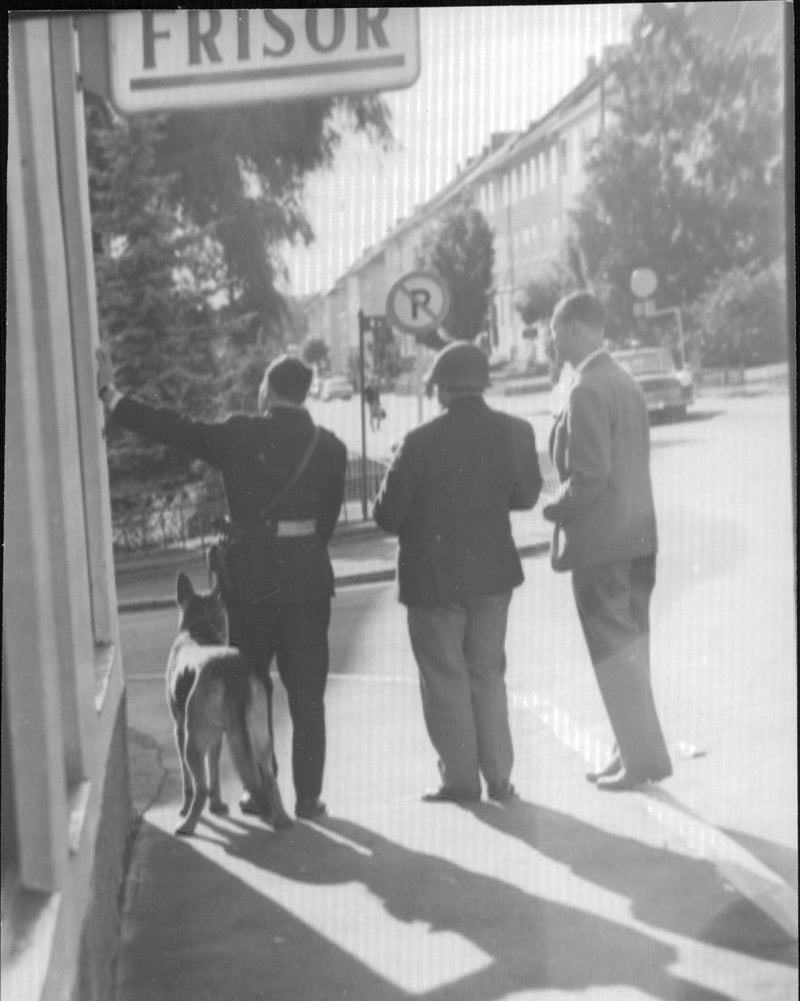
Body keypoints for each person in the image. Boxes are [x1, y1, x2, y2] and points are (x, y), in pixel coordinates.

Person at [96, 346, 347, 820]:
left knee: (252, 687)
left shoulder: (240, 434)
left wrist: (111, 395)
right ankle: (309, 797)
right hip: (309, 583)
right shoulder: (330, 447)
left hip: (253, 584)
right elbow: (328, 521)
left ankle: (260, 790)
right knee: (308, 691)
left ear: (268, 392)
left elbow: (177, 428)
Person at [373, 340, 543, 803]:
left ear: (442, 390)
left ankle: (460, 780)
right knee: (488, 674)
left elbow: (387, 517)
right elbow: (526, 496)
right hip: (493, 575)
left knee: (446, 679)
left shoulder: (419, 442)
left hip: (434, 581)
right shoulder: (517, 431)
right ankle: (500, 777)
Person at [542, 291, 672, 791]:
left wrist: (551, 508)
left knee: (615, 654)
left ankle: (642, 759)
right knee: (633, 650)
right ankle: (629, 748)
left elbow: (588, 478)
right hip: (639, 539)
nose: (550, 342)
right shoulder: (624, 381)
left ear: (574, 329)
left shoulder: (586, 389)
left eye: (553, 332)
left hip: (603, 547)